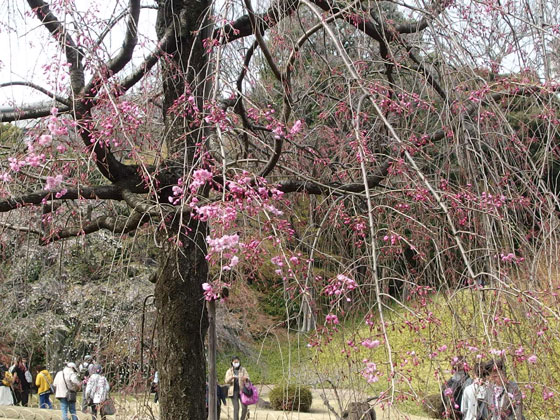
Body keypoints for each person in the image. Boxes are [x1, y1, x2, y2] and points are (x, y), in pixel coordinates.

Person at [224, 356, 250, 420]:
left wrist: (245, 378)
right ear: (232, 362)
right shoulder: (229, 371)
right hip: (233, 391)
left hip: (242, 391)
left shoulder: (243, 369)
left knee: (244, 408)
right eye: (235, 362)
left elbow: (248, 378)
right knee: (236, 408)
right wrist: (231, 377)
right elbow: (226, 381)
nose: (236, 363)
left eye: (237, 362)